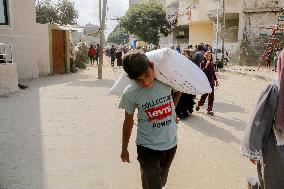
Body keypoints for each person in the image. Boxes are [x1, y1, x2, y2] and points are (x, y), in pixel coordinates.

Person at [119, 51, 181, 189]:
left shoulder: (165, 81)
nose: (146, 83)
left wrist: (171, 112)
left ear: (152, 66)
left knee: (161, 181)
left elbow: (179, 90)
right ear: (131, 78)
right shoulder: (130, 93)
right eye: (139, 80)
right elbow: (128, 121)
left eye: (147, 75)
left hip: (170, 144)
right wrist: (124, 148)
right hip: (147, 148)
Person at [241, 50, 284, 189]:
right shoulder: (274, 90)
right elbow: (259, 120)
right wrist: (254, 148)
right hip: (275, 147)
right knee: (273, 180)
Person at [195, 51, 219, 116]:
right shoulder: (202, 63)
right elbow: (202, 72)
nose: (208, 57)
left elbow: (213, 73)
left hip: (211, 83)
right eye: (206, 56)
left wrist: (216, 80)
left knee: (211, 97)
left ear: (211, 57)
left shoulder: (211, 64)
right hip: (206, 83)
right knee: (204, 96)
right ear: (204, 56)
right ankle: (199, 104)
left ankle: (209, 110)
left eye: (209, 56)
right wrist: (206, 65)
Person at [175, 49, 196, 119]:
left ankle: (184, 112)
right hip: (183, 81)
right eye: (182, 52)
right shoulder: (182, 60)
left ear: (187, 53)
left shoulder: (189, 60)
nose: (182, 53)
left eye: (184, 52)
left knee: (186, 98)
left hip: (187, 81)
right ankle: (182, 112)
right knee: (183, 98)